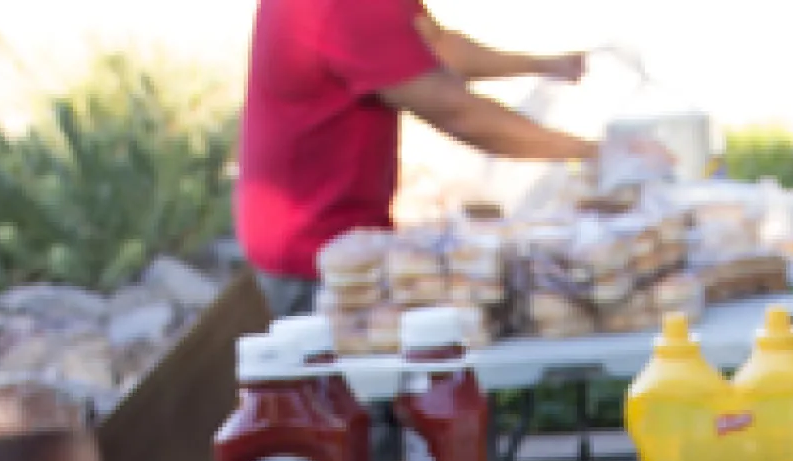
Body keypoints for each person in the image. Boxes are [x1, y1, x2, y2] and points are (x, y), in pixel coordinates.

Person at [236, 0, 603, 316]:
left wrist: (543, 65)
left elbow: (435, 45)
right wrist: (589, 153)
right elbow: (457, 113)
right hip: (318, 252)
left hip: (336, 233)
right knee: (366, 388)